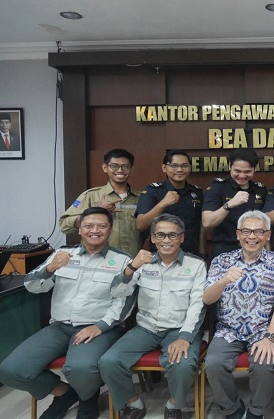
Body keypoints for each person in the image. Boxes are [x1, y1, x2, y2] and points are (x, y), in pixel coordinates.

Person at [0, 207, 134, 419]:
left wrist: (100, 327)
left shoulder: (123, 260)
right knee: (11, 370)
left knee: (80, 368)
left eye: (102, 226)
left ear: (110, 230)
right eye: (88, 225)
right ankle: (65, 393)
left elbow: (125, 301)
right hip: (59, 327)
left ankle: (88, 400)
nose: (95, 230)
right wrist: (50, 268)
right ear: (79, 229)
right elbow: (32, 286)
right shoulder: (62, 254)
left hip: (98, 328)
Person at [99, 214, 206, 419]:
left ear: (181, 237)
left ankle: (174, 405)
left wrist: (185, 337)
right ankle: (133, 403)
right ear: (153, 238)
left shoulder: (196, 265)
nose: (166, 240)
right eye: (161, 235)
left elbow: (197, 305)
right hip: (145, 329)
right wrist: (131, 267)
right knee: (109, 361)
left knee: (182, 365)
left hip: (179, 328)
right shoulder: (141, 263)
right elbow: (117, 292)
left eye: (172, 235)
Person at [203, 210, 274, 419]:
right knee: (213, 364)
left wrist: (270, 337)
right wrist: (224, 280)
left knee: (263, 365)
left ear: (267, 235)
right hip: (228, 330)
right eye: (246, 231)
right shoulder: (221, 261)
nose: (252, 236)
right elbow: (207, 299)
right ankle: (232, 408)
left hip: (263, 330)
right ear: (238, 234)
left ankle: (256, 411)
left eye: (258, 231)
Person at [59, 148, 142, 257]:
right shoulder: (90, 195)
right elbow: (64, 225)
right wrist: (97, 210)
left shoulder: (142, 198)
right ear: (105, 167)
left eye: (125, 166)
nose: (120, 170)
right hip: (97, 259)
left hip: (131, 259)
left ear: (131, 169)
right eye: (114, 166)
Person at [136, 149, 203, 257]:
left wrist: (202, 252)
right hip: (160, 255)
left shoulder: (197, 192)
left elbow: (201, 226)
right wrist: (162, 204)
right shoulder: (153, 191)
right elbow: (141, 225)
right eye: (174, 166)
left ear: (190, 168)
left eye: (184, 166)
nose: (179, 169)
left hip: (191, 255)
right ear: (164, 167)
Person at [202, 148, 267, 259]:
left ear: (254, 169)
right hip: (225, 247)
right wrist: (229, 204)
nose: (242, 176)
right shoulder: (218, 187)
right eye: (237, 171)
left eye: (247, 172)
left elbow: (266, 224)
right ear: (229, 166)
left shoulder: (260, 190)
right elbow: (207, 222)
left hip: (254, 247)